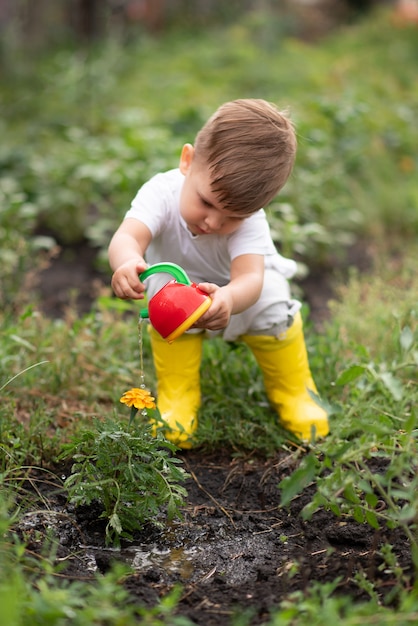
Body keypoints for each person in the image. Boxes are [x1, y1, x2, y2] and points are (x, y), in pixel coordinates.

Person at [108, 98, 329, 448]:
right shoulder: (160, 193)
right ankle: (178, 396)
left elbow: (250, 279)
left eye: (233, 216)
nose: (214, 222)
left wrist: (228, 297)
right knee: (161, 289)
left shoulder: (251, 219)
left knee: (272, 299)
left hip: (233, 293)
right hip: (176, 290)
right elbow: (128, 236)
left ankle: (294, 391)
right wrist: (125, 261)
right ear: (188, 161)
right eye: (207, 203)